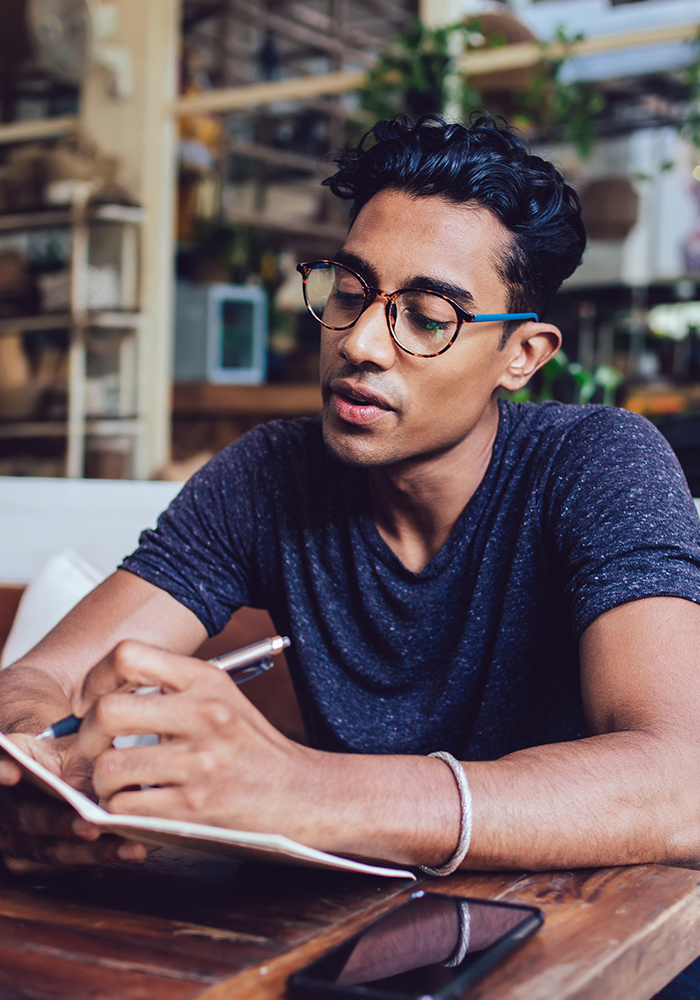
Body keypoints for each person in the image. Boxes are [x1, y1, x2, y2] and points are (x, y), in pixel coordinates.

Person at [2, 114, 700, 934]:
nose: (363, 342)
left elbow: (678, 781)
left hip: (583, 942)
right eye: (350, 290)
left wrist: (302, 788)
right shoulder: (270, 473)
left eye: (428, 317)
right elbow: (36, 683)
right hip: (354, 936)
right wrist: (36, 772)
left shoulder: (597, 463)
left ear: (523, 356)